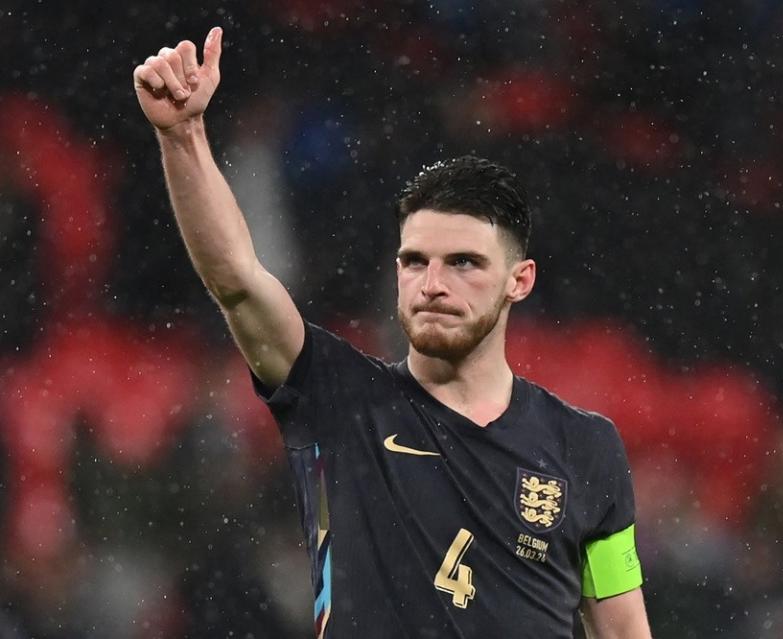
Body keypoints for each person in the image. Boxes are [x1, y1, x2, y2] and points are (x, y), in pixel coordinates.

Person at [133, 27, 654, 639]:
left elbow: (622, 631)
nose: (432, 283)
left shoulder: (584, 447)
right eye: (415, 261)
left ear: (520, 280)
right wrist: (182, 135)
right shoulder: (337, 399)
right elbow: (238, 281)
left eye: (463, 262)